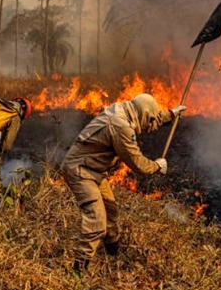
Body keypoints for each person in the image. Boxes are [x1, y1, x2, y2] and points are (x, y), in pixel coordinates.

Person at [61, 93, 186, 272]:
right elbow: (138, 164)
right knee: (96, 221)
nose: (151, 126)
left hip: (94, 169)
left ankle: (113, 254)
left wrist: (171, 114)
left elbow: (149, 118)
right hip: (81, 171)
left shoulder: (124, 110)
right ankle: (78, 270)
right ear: (142, 114)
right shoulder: (120, 127)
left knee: (111, 210)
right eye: (150, 120)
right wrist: (157, 166)